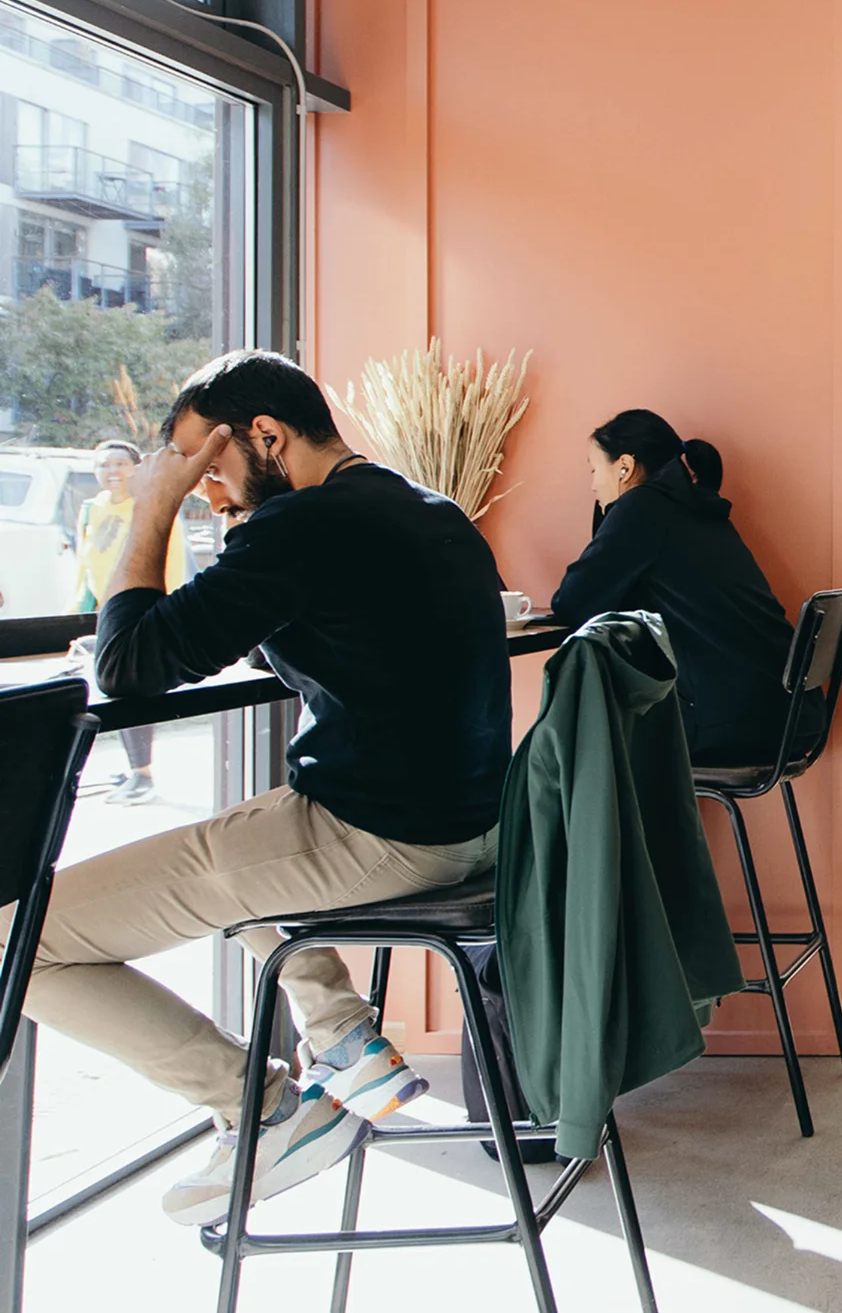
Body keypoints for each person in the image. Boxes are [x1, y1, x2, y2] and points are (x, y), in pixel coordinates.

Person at [30, 351, 512, 1228]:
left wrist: (152, 508)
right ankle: (344, 1038)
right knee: (240, 837)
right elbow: (317, 627)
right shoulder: (429, 510)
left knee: (20, 940)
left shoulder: (302, 528)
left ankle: (261, 1107)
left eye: (206, 467)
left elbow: (130, 665)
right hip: (475, 825)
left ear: (268, 437)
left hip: (381, 835)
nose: (207, 492)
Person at [549, 409, 792, 766]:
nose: (592, 484)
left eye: (593, 468)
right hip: (786, 712)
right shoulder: (694, 506)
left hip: (737, 724)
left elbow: (571, 603)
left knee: (583, 744)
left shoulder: (644, 508)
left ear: (624, 467)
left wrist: (610, 513)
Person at [71, 439, 191, 805]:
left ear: (137, 468)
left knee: (130, 681)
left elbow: (171, 565)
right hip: (105, 611)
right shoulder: (92, 509)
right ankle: (130, 768)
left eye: (120, 463)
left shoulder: (152, 508)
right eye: (104, 465)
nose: (112, 471)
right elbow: (84, 566)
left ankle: (142, 774)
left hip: (140, 611)